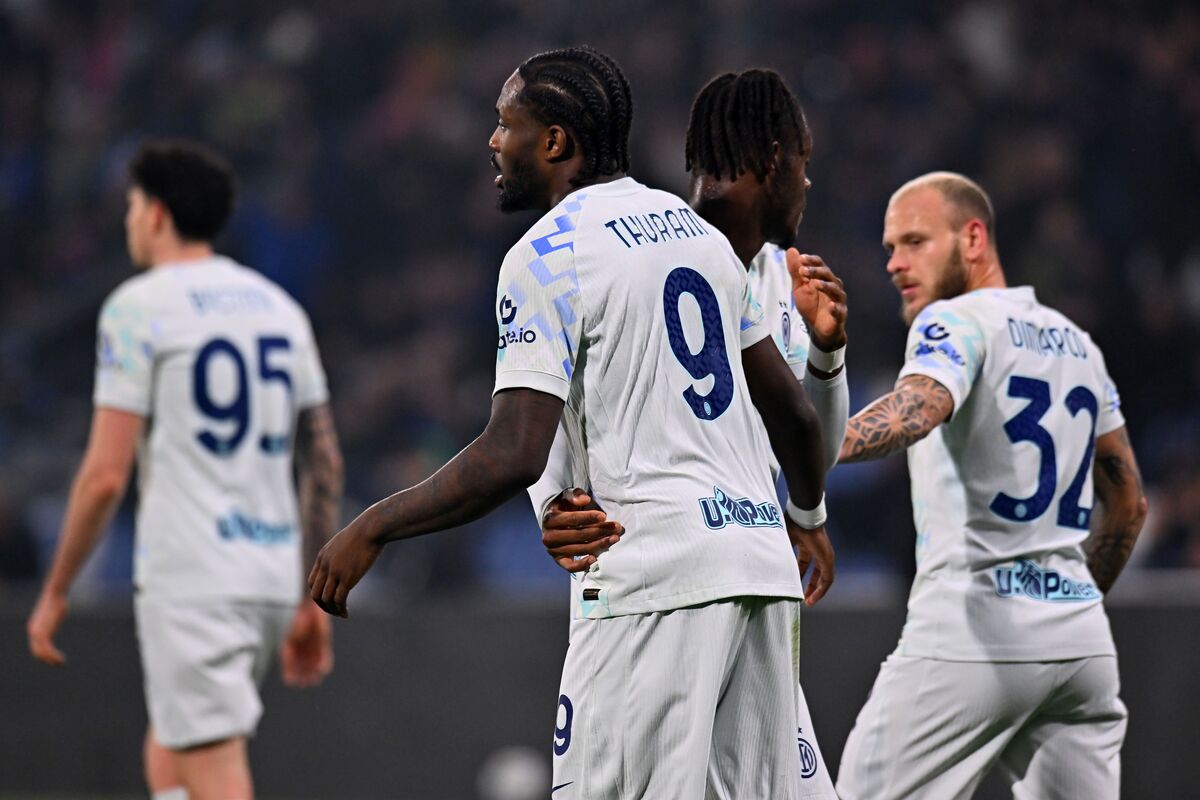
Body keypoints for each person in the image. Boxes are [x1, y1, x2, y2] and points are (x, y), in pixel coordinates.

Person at [307, 47, 833, 798]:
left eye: (505, 123)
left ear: (554, 141)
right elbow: (794, 415)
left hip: (653, 578)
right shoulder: (697, 237)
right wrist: (807, 516)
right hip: (758, 570)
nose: (493, 141)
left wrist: (373, 527)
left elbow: (512, 451)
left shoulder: (547, 255)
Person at [530, 68, 849, 797]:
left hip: (741, 581)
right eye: (804, 162)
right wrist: (550, 500)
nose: (808, 183)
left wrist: (827, 359)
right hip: (658, 586)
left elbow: (810, 445)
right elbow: (551, 393)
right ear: (775, 159)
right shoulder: (650, 245)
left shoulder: (783, 280)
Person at [26, 140, 344, 800]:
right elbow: (324, 459)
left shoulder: (139, 308)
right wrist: (312, 594)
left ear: (158, 214)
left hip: (195, 581)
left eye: (133, 205)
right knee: (171, 757)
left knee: (212, 764)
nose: (128, 220)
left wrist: (57, 586)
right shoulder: (280, 310)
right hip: (266, 577)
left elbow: (106, 475)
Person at [830, 172, 1148, 799]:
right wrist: (1064, 603)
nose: (895, 263)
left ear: (973, 237)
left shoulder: (955, 322)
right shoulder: (1079, 345)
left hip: (973, 631)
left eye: (916, 241)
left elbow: (919, 408)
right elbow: (1130, 503)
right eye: (890, 246)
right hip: (1080, 643)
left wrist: (808, 440)